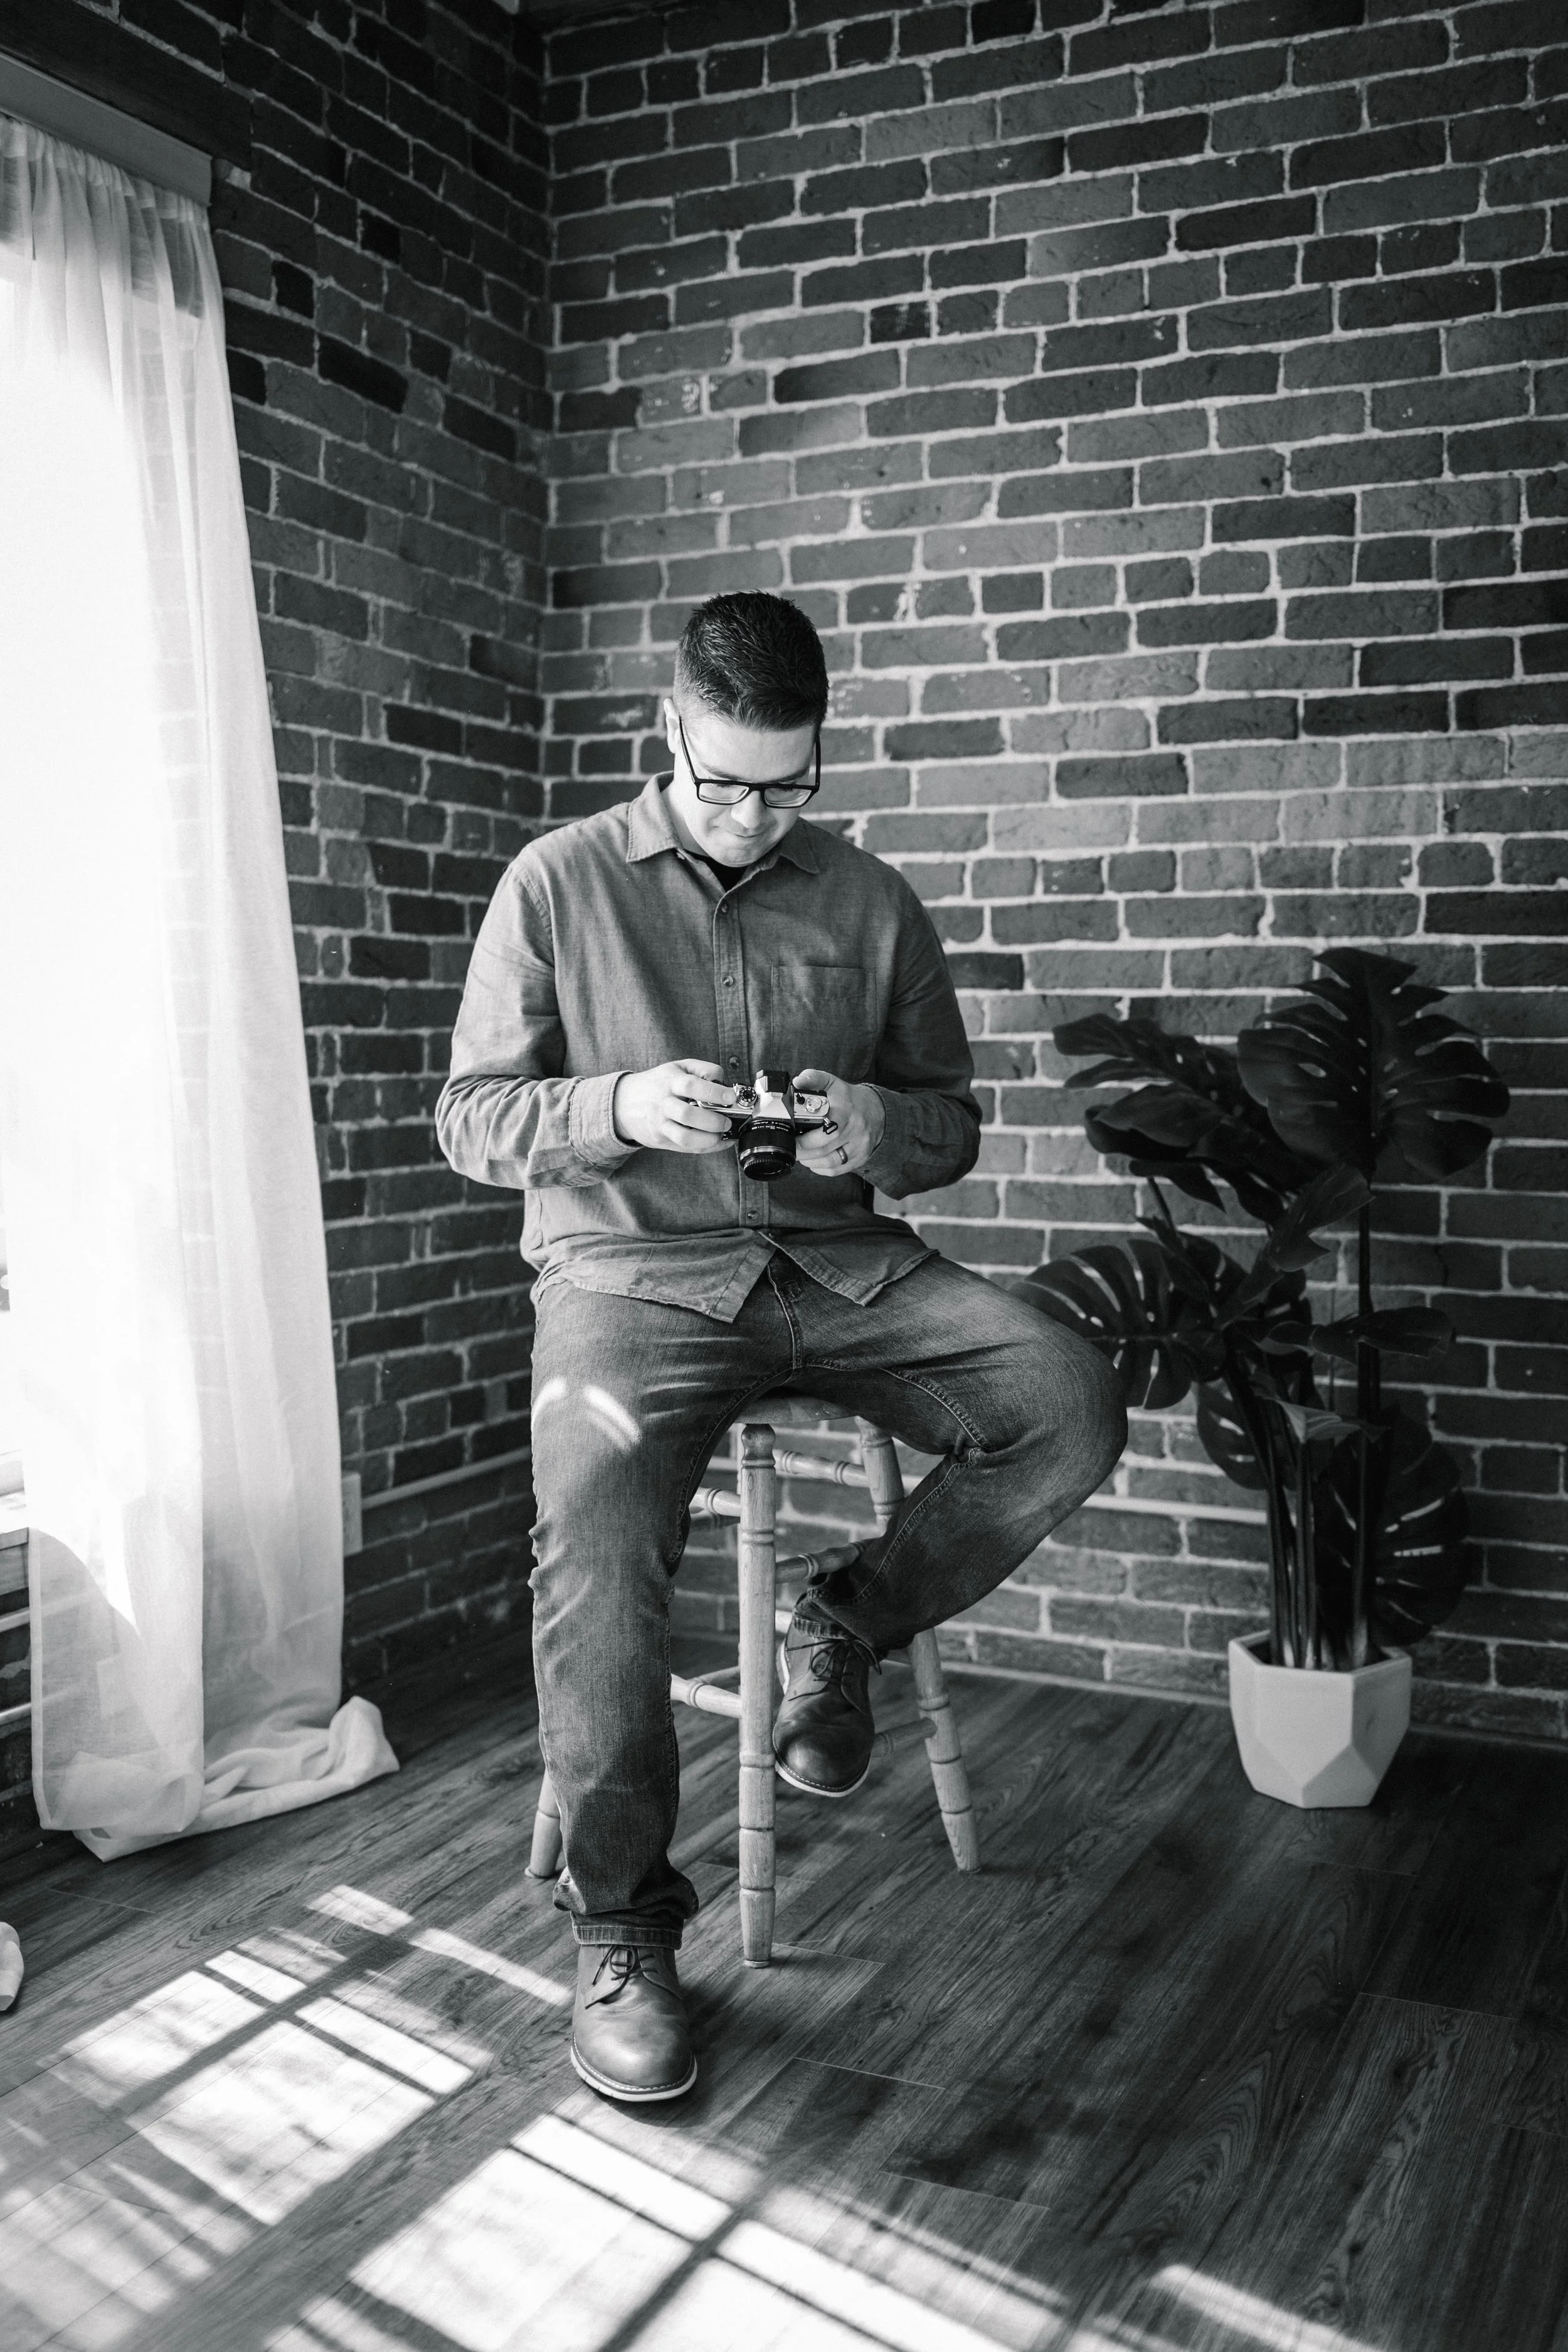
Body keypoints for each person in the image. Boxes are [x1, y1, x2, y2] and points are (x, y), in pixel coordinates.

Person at [435, 592, 1126, 2103]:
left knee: (1066, 1397)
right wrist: (614, 1110)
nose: (753, 815)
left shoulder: (872, 903)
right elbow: (472, 1121)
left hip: (841, 1262)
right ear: (666, 728)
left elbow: (945, 1122)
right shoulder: (554, 885)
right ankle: (621, 1928)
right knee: (602, 1543)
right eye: (723, 779)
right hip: (629, 1276)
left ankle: (844, 1620)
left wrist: (869, 1121)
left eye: (786, 783)